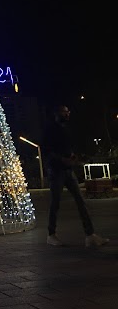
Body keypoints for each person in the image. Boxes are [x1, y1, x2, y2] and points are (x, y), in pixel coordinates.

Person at [43, 105, 109, 248]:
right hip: (56, 170)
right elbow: (48, 150)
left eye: (68, 112)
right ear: (57, 113)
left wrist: (72, 156)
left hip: (68, 169)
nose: (67, 115)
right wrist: (62, 159)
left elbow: (68, 146)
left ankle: (90, 235)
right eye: (64, 112)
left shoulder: (66, 129)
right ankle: (51, 234)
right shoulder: (50, 129)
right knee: (55, 203)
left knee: (81, 201)